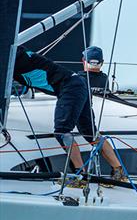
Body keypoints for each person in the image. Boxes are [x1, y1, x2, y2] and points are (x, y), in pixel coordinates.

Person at [12, 46, 126, 185]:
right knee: (90, 133)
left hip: (70, 86)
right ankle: (118, 172)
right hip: (78, 84)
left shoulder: (14, 59)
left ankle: (80, 176)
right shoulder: (18, 57)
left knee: (62, 132)